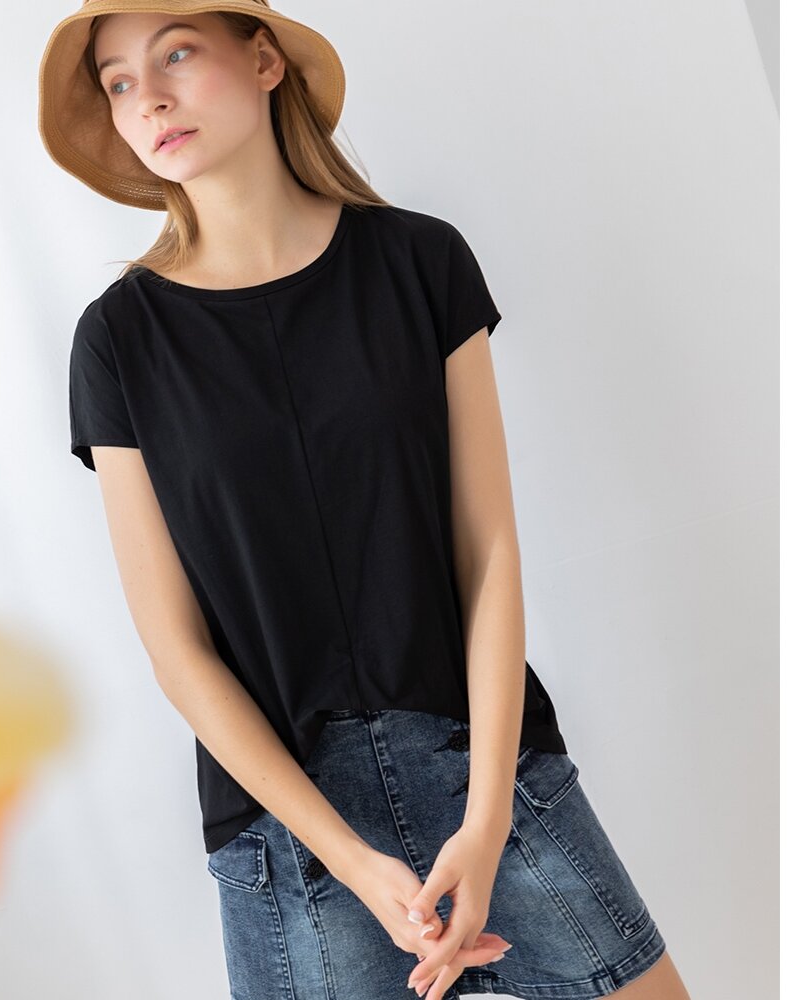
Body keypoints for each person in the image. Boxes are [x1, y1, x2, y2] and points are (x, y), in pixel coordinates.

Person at [38, 3, 692, 998]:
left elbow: (487, 551)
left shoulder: (419, 263)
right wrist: (347, 858)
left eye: (177, 54)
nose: (150, 98)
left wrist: (487, 821)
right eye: (120, 81)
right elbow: (176, 649)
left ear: (265, 59)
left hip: (486, 773)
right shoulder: (117, 343)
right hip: (290, 831)